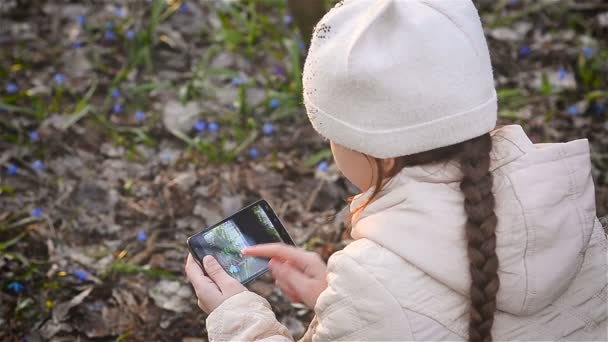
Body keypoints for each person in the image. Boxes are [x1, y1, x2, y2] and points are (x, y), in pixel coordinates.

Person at [185, 0, 608, 341]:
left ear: (378, 153)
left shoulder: (373, 286)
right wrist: (335, 305)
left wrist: (238, 321)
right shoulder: (567, 209)